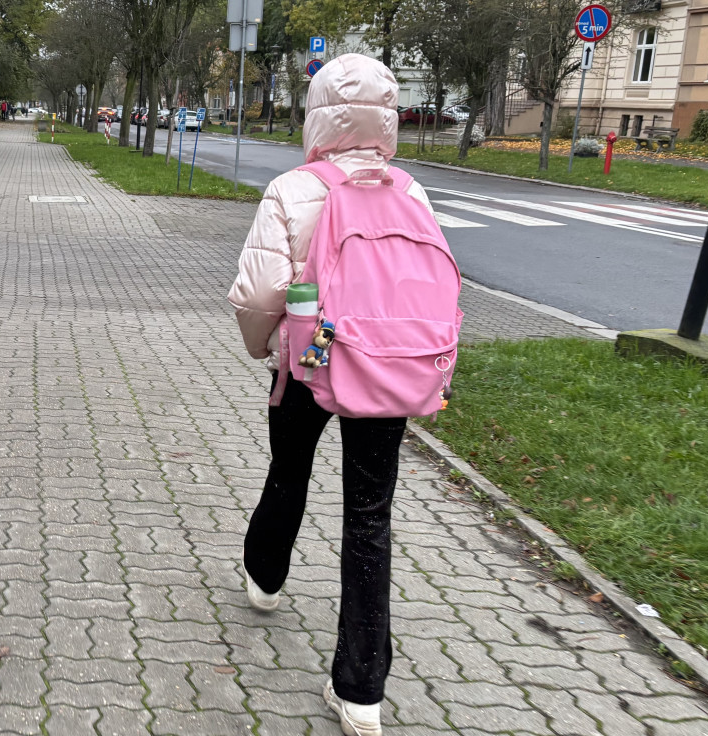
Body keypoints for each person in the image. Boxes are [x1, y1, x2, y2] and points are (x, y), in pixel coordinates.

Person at [226, 54, 438, 736]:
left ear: (317, 114)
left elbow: (259, 293)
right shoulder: (410, 191)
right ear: (389, 118)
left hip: (310, 365)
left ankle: (265, 578)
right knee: (370, 517)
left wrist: (266, 349)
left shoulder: (292, 189)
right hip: (388, 371)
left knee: (289, 471)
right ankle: (362, 690)